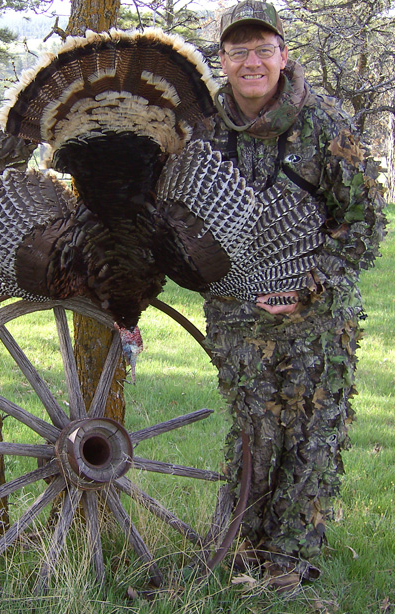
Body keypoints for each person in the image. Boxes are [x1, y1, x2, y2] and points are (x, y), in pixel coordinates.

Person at [194, 0, 386, 590]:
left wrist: (314, 283)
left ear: (283, 54)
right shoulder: (202, 130)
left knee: (311, 436)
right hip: (239, 315)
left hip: (316, 318)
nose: (251, 62)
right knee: (253, 435)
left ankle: (289, 567)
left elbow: (364, 219)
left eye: (262, 49)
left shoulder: (323, 124)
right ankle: (240, 554)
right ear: (222, 60)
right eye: (237, 51)